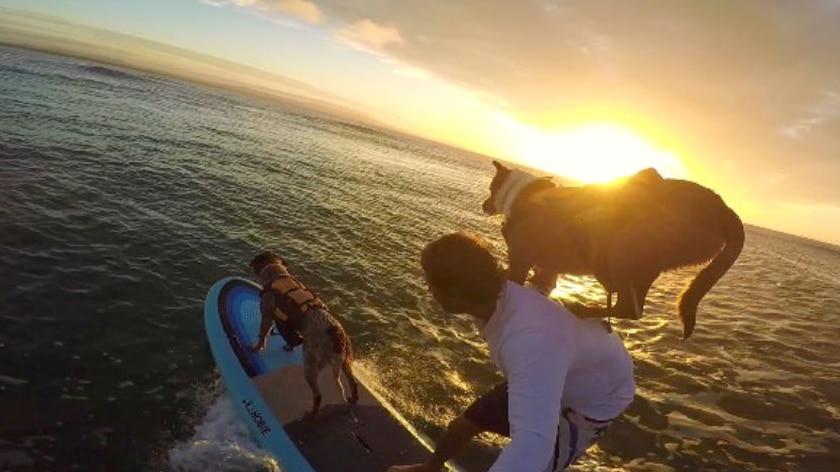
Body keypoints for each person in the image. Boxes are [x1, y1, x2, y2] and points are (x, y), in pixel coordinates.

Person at [388, 232, 635, 472]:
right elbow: (541, 289)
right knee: (461, 428)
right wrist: (547, 274)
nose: (430, 292)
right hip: (547, 370)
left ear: (454, 292)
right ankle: (430, 468)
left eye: (431, 285)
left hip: (589, 404)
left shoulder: (529, 341)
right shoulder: (502, 292)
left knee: (536, 461)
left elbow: (533, 443)